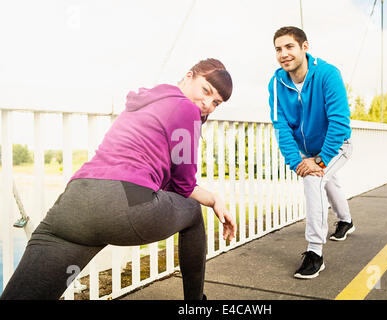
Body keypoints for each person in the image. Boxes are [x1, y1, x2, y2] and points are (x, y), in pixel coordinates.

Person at [0, 58, 236, 300]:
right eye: (206, 91)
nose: (207, 103)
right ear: (189, 76)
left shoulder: (143, 103)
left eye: (216, 102)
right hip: (125, 202)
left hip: (75, 200)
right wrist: (213, 199)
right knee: (192, 212)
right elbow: (183, 186)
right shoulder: (186, 109)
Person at [268, 26, 354, 279]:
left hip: (337, 145)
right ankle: (346, 220)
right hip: (305, 151)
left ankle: (315, 251)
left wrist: (318, 160)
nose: (283, 54)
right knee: (328, 182)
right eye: (278, 49)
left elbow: (340, 123)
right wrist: (297, 162)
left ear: (305, 47)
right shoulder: (276, 83)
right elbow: (280, 126)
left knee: (314, 179)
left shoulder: (328, 74)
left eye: (289, 47)